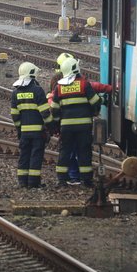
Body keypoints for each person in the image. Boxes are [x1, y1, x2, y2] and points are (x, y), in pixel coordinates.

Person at [50, 57, 101, 187]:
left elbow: (54, 109)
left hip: (66, 127)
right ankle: (86, 180)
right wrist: (94, 110)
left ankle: (62, 179)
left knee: (65, 151)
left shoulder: (59, 88)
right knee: (84, 151)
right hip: (84, 127)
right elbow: (96, 102)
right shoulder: (84, 84)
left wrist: (56, 125)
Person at [10, 62, 52, 188]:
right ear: (32, 74)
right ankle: (33, 182)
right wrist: (51, 127)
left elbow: (14, 115)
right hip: (38, 131)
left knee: (24, 155)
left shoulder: (15, 93)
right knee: (36, 155)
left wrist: (19, 129)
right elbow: (45, 112)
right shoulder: (37, 90)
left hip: (24, 132)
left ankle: (22, 181)